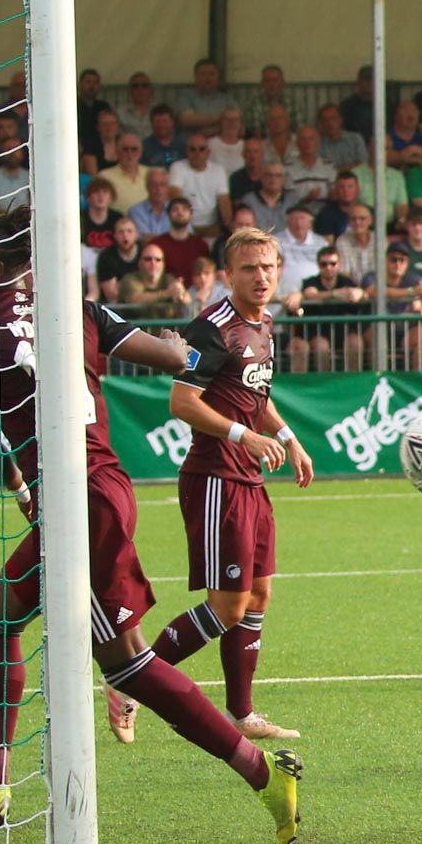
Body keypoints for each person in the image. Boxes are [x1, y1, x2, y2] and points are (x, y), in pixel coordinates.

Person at [0, 211, 302, 844]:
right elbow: (174, 357)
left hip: (77, 503)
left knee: (127, 665)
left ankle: (263, 773)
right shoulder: (77, 309)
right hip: (106, 489)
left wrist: (21, 488)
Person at [150, 228, 314, 742]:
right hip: (215, 476)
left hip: (247, 477)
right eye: (249, 268)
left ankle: (243, 715)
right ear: (228, 275)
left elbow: (254, 393)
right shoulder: (213, 328)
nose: (260, 276)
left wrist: (288, 438)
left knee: (259, 594)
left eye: (267, 267)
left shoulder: (263, 323)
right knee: (227, 605)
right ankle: (133, 679)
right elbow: (182, 403)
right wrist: (243, 436)